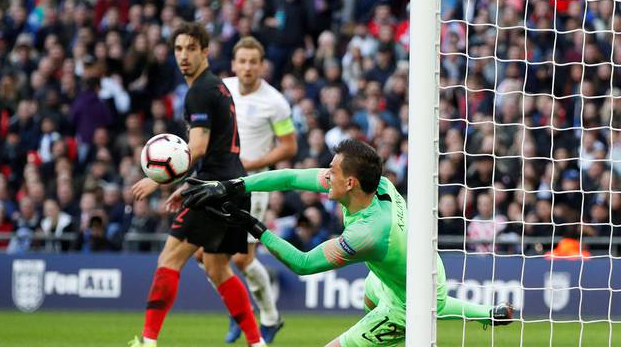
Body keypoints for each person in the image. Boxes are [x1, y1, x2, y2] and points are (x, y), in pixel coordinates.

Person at [183, 139, 514, 347]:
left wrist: (254, 226)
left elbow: (303, 264)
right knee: (376, 294)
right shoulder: (376, 184)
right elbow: (287, 177)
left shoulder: (366, 234)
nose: (326, 173)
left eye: (333, 169)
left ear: (350, 182)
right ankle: (489, 313)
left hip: (406, 301)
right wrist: (232, 187)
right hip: (411, 270)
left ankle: (472, 317)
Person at [128, 22, 265, 347]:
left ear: (205, 51)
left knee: (169, 260)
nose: (183, 56)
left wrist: (155, 178)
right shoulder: (217, 87)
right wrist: (189, 183)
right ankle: (257, 343)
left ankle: (147, 342)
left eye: (191, 48)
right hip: (233, 186)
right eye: (178, 49)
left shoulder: (199, 92)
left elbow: (200, 147)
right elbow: (216, 148)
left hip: (213, 190)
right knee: (219, 269)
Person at [216, 36, 297, 343]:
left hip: (255, 185)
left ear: (262, 66)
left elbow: (289, 147)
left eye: (254, 62)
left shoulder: (274, 102)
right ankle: (241, 309)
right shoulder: (223, 90)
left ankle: (270, 318)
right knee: (202, 254)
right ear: (234, 64)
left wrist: (255, 163)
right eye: (242, 61)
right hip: (222, 182)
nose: (248, 67)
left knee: (241, 259)